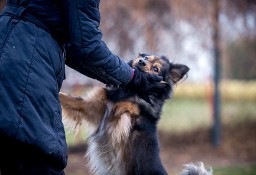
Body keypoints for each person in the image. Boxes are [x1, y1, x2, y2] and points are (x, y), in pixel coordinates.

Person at [0, 0, 165, 174]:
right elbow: (88, 46)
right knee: (41, 161)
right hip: (26, 64)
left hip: (10, 47)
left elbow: (76, 50)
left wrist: (123, 76)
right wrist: (132, 77)